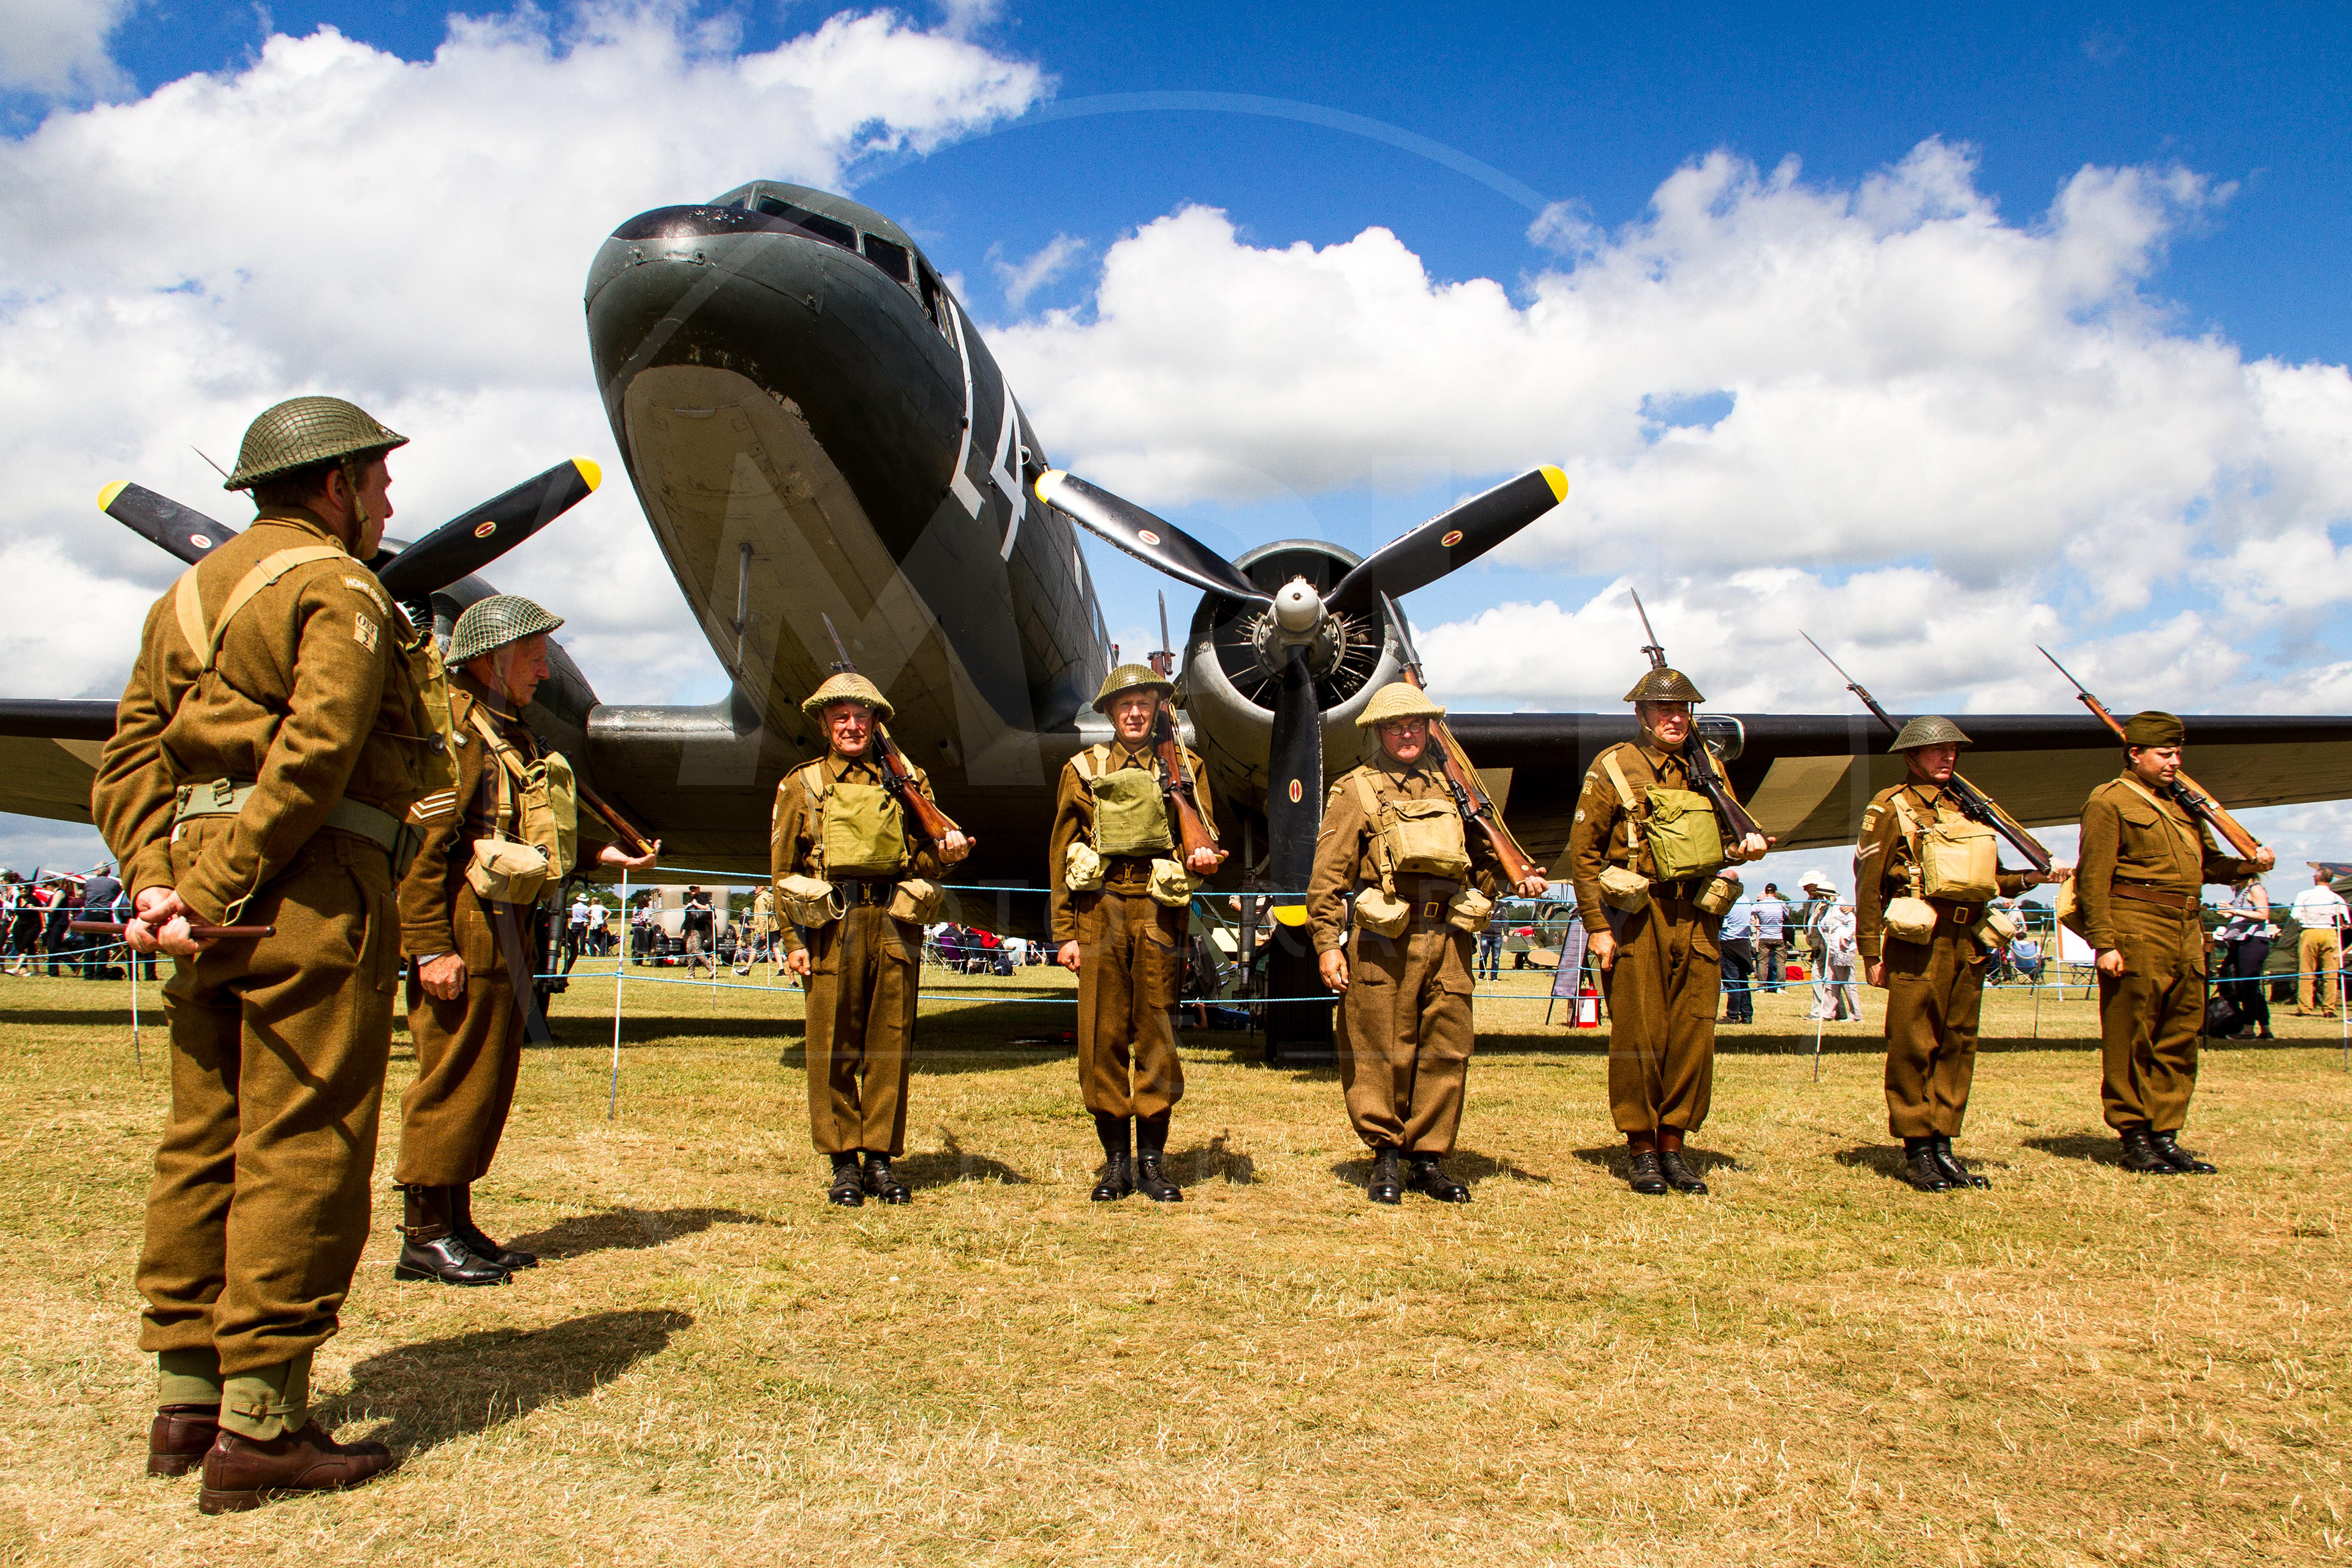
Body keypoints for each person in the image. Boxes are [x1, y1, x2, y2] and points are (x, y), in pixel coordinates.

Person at [92, 396, 440, 1510]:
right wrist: (214, 887)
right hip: (303, 890)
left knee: (205, 1139)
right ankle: (262, 1429)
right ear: (335, 485)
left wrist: (159, 881)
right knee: (304, 1138)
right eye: (379, 483)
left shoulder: (185, 596)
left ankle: (187, 1397)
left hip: (206, 902)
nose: (387, 505)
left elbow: (127, 759)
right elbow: (321, 747)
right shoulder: (338, 585)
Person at [393, 595, 658, 1286]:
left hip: (509, 926)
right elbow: (424, 849)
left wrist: (607, 857)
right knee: (451, 1077)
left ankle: (456, 1222)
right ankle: (422, 1236)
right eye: (533, 655)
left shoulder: (511, 731)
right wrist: (428, 947)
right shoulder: (457, 733)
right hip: (464, 930)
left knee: (486, 1080)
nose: (544, 669)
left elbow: (533, 830)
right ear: (491, 657)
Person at [1310, 682, 1545, 1204]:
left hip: (1449, 937)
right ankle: (1387, 1158)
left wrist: (1513, 879)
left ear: (1428, 729)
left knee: (1446, 1045)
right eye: (1395, 726)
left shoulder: (1457, 791)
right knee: (1377, 1048)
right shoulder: (1356, 791)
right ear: (1377, 731)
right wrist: (1328, 942)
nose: (1407, 733)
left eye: (1416, 723)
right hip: (1383, 940)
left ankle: (1429, 1159)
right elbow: (1328, 877)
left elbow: (1481, 865)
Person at [1566, 663, 1769, 1197]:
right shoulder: (1613, 768)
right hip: (1637, 917)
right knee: (1639, 1033)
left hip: (1698, 916)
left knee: (1692, 1031)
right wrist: (1597, 928)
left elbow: (1724, 841)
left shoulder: (1711, 772)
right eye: (1663, 709)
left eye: (1683, 709)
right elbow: (1584, 858)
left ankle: (1674, 1145)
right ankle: (1641, 1148)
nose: (1675, 718)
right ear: (1641, 713)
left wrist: (1745, 848)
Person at [774, 671, 969, 1205]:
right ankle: (844, 1163)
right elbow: (783, 868)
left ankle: (880, 1160)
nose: (852, 726)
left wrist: (946, 856)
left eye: (862, 717)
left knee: (888, 1045)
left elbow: (924, 856)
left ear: (877, 724)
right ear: (824, 724)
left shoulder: (908, 780)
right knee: (832, 1046)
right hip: (830, 925)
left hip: (893, 924)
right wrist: (792, 940)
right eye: (841, 717)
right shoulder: (803, 783)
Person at [1855, 718, 2064, 1192]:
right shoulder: (1891, 807)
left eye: (1952, 750)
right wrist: (1871, 952)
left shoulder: (1970, 809)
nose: (1947, 757)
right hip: (1918, 939)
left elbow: (1991, 878)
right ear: (1912, 756)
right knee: (1913, 1043)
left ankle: (1943, 1142)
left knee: (1958, 1042)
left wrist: (2031, 879)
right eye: (1936, 751)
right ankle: (1916, 1148)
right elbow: (1868, 886)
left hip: (1968, 941)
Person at [1049, 664, 1222, 1204]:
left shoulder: (1188, 769)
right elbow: (1061, 851)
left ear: (1158, 710)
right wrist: (1065, 932)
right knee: (1101, 1036)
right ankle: (1115, 1164)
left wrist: (1201, 854)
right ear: (1108, 712)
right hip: (1099, 910)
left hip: (1157, 909)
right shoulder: (1081, 768)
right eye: (1125, 704)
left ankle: (1152, 1163)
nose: (1135, 713)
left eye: (1145, 702)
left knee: (1157, 1033)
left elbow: (1208, 840)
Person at [2076, 711, 2271, 1174]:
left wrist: (2250, 866)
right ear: (2135, 753)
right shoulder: (2110, 801)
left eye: (2179, 753)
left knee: (2180, 1034)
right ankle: (2135, 1135)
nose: (2175, 762)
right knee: (2133, 1034)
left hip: (2186, 927)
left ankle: (2166, 1133)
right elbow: (2092, 879)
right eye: (2166, 753)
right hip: (2136, 924)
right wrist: (2105, 943)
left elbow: (2209, 865)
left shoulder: (2185, 803)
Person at [2213, 876, 2274, 1040]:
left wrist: (2235, 911)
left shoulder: (2255, 889)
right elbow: (2236, 916)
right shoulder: (2242, 891)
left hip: (2253, 941)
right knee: (2252, 989)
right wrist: (2226, 910)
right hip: (2241, 942)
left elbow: (2263, 914)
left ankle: (2248, 1030)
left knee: (2248, 988)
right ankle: (2265, 1030)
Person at [2289, 868, 2347, 1016]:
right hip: (2330, 933)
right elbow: (2346, 922)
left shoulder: (2304, 895)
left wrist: (2306, 920)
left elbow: (2295, 915)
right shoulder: (2337, 898)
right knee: (2331, 973)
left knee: (2307, 971)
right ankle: (2329, 1009)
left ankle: (2305, 1008)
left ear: (2316, 878)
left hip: (2310, 932)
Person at [80, 863, 124, 978]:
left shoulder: (89, 883)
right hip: (105, 915)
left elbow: (85, 896)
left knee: (89, 945)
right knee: (104, 946)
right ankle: (100, 974)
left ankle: (88, 974)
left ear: (98, 871)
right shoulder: (115, 884)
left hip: (90, 915)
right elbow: (116, 898)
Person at [1718, 902, 1756, 1024]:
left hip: (1728, 942)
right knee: (1743, 980)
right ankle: (1747, 1015)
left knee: (1731, 981)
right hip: (1743, 942)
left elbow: (1721, 924)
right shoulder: (1745, 899)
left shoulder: (1729, 901)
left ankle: (1732, 1015)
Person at [1752, 884, 1788, 992]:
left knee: (1762, 962)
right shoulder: (1781, 904)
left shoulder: (1760, 905)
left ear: (1766, 892)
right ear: (1775, 892)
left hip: (1764, 936)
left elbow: (1751, 911)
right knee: (1780, 963)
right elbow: (1786, 915)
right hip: (1778, 936)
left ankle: (1762, 986)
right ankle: (1780, 987)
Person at [680, 886, 715, 976]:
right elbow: (688, 918)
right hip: (690, 929)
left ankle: (711, 969)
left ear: (699, 889)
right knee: (690, 950)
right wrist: (684, 930)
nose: (693, 890)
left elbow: (707, 908)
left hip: (698, 929)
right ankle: (691, 974)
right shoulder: (693, 899)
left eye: (694, 888)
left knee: (697, 950)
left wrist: (696, 905)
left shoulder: (701, 898)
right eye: (691, 889)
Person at [1476, 907, 1505, 982]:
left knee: (1496, 957)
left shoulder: (1502, 909)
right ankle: (1482, 974)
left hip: (1497, 936)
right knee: (1483, 956)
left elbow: (1506, 922)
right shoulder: (1485, 907)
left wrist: (1506, 934)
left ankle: (1494, 977)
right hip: (1485, 935)